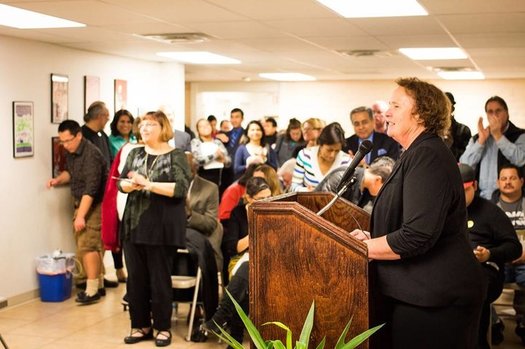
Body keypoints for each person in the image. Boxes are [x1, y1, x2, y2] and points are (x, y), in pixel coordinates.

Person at [350, 77, 486, 349]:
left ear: (421, 114)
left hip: (435, 300)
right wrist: (371, 237)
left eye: (396, 106)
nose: (386, 112)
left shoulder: (428, 156)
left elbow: (417, 235)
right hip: (419, 295)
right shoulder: (416, 152)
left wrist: (361, 248)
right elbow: (412, 220)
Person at [117, 111, 191, 346]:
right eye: (143, 124)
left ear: (163, 128)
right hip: (133, 225)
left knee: (159, 279)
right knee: (135, 279)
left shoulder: (176, 155)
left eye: (150, 125)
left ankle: (162, 327)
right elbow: (121, 183)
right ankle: (140, 325)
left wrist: (149, 184)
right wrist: (129, 185)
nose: (145, 129)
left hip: (161, 227)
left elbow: (180, 188)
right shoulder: (135, 153)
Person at [460, 163, 521, 349]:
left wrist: (489, 254)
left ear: (475, 186)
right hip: (453, 270)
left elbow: (514, 248)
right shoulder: (447, 210)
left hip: (486, 270)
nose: (461, 195)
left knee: (473, 289)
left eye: (466, 190)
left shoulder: (491, 212)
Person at [46, 120, 108, 304]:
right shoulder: (73, 153)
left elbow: (91, 189)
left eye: (68, 141)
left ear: (79, 135)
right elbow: (71, 173)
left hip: (94, 204)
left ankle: (92, 291)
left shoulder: (91, 155)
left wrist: (81, 216)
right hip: (81, 202)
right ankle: (99, 283)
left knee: (88, 246)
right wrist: (58, 180)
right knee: (88, 245)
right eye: (61, 142)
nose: (65, 145)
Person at [82, 101, 119, 289]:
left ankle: (101, 276)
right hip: (91, 195)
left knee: (101, 239)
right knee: (89, 241)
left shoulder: (102, 135)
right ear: (99, 116)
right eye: (106, 116)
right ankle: (91, 282)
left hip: (105, 194)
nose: (108, 120)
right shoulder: (84, 137)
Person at [460, 96, 525, 200]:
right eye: (490, 112)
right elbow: (464, 165)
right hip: (481, 198)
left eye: (498, 110)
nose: (494, 115)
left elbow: (521, 160)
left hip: (509, 198)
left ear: (507, 113)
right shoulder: (478, 137)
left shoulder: (520, 135)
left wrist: (498, 136)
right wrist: (480, 141)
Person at [492, 164, 525, 344]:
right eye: (503, 179)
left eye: (512, 178)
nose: (508, 182)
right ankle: (495, 323)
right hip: (500, 261)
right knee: (479, 281)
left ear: (521, 181)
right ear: (497, 182)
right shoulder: (491, 209)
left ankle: (523, 323)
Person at [107, 109, 136, 283]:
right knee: (116, 229)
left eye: (128, 122)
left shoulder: (135, 141)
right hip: (117, 187)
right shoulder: (111, 141)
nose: (125, 125)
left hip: (135, 188)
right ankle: (118, 268)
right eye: (122, 121)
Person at [186, 152, 224, 271]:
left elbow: (211, 224)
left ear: (195, 169)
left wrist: (189, 214)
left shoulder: (210, 188)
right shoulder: (165, 186)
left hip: (197, 235)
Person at [315, 156, 395, 213]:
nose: (384, 193)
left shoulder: (367, 191)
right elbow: (322, 207)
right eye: (385, 188)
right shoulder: (342, 177)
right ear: (378, 180)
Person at [291, 122, 351, 192]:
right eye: (329, 150)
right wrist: (306, 191)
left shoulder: (346, 161)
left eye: (337, 151)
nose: (332, 155)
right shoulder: (304, 156)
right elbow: (294, 187)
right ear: (320, 144)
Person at [191, 118, 231, 187]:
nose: (205, 127)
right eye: (201, 126)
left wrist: (223, 159)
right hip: (202, 181)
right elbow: (198, 161)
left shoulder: (217, 142)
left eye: (207, 125)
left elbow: (228, 162)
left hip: (217, 180)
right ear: (198, 130)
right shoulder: (196, 142)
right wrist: (215, 155)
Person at [443, 92, 471, 161]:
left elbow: (467, 158)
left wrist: (450, 145)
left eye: (446, 107)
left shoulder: (464, 130)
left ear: (452, 109)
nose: (443, 110)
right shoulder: (432, 130)